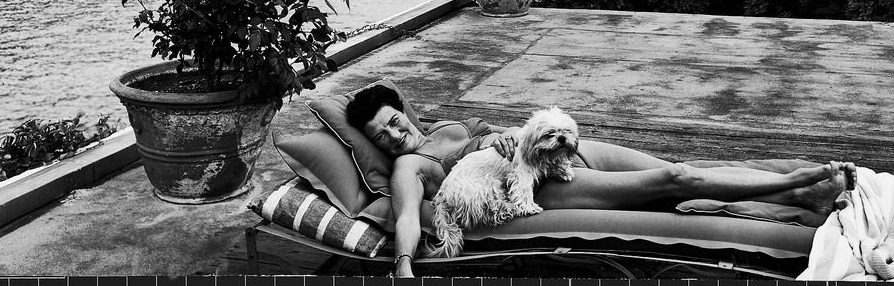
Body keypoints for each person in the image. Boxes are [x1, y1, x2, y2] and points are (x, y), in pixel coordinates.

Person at [345, 83, 856, 278]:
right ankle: (794, 188)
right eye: (380, 135)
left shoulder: (445, 128)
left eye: (394, 121)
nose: (393, 135)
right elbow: (409, 214)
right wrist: (405, 264)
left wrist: (502, 134)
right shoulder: (408, 168)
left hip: (565, 151)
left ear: (404, 110)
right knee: (675, 183)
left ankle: (792, 192)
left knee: (677, 166)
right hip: (545, 186)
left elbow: (512, 134)